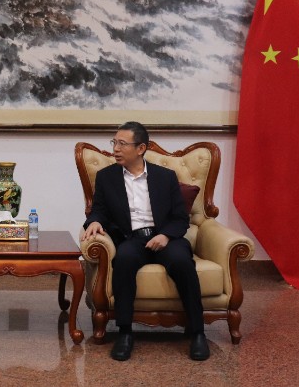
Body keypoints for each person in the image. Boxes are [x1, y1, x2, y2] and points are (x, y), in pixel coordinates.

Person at [82, 121, 209, 361]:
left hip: (166, 236)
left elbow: (180, 218)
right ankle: (125, 332)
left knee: (182, 262)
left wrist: (165, 236)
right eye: (114, 142)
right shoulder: (106, 177)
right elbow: (98, 210)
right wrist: (94, 222)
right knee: (124, 260)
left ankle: (197, 332)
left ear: (141, 148)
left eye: (122, 144)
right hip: (132, 238)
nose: (115, 149)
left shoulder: (165, 177)